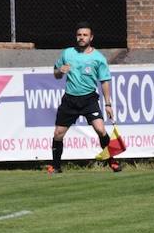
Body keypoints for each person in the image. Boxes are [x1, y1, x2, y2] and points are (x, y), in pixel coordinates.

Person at [48, 22, 121, 173]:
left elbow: (104, 81)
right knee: (58, 134)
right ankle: (56, 166)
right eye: (79, 35)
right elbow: (56, 74)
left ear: (91, 37)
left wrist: (108, 104)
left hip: (89, 100)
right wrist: (60, 71)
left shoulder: (98, 58)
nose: (81, 38)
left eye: (85, 35)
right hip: (70, 100)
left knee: (101, 130)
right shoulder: (68, 53)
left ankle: (112, 161)